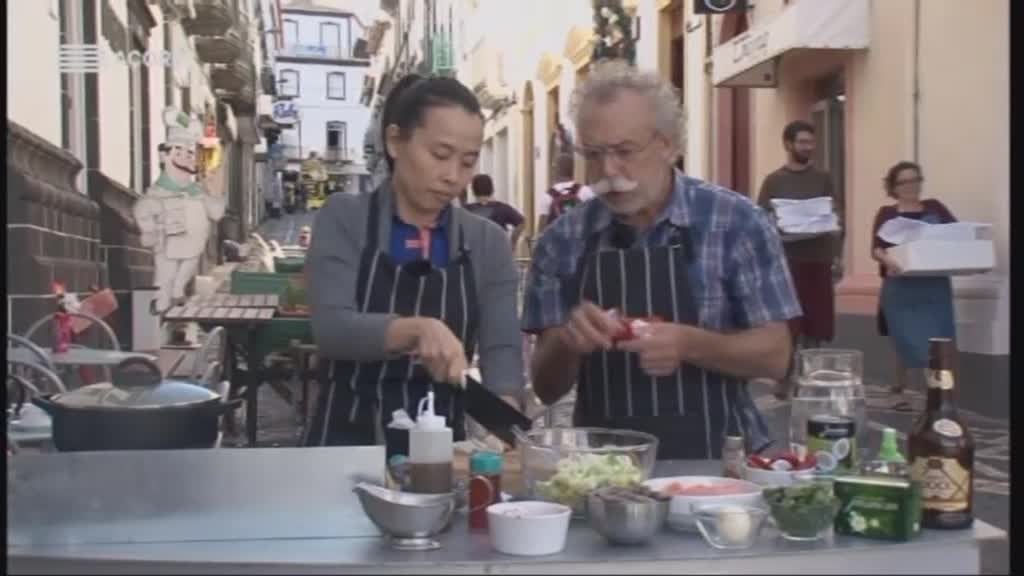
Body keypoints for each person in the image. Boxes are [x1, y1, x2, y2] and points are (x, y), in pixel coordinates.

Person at [522, 62, 801, 460]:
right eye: (594, 154)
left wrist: (689, 344)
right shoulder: (561, 241)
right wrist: (569, 342)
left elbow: (776, 357)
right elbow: (546, 388)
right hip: (602, 471)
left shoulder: (737, 222)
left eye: (624, 151)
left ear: (669, 144)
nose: (609, 171)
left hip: (723, 464)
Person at [304, 76, 524, 456]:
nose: (453, 176)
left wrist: (506, 424)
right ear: (395, 141)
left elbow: (502, 349)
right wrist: (417, 330)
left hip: (442, 454)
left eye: (467, 162)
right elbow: (331, 328)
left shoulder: (487, 242)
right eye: (440, 155)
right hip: (344, 443)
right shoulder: (344, 218)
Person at [757, 120, 840, 397]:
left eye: (811, 142)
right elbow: (762, 219)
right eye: (803, 142)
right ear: (788, 144)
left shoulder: (823, 178)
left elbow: (834, 213)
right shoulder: (774, 181)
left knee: (817, 323)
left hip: (818, 258)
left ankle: (812, 377)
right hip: (787, 261)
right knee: (789, 322)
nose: (808, 147)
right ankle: (785, 377)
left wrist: (836, 250)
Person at [871, 161, 957, 412]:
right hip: (901, 286)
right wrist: (889, 260)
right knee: (904, 338)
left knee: (941, 338)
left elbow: (955, 233)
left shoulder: (935, 208)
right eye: (905, 182)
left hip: (934, 284)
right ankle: (899, 389)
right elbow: (877, 247)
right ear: (894, 187)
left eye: (915, 180)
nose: (911, 186)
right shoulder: (887, 213)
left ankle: (940, 392)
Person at [134, 108, 226, 314]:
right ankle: (161, 307)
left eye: (190, 153)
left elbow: (216, 213)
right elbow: (143, 209)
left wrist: (216, 190)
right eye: (178, 152)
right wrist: (149, 230)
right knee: (165, 276)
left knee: (187, 266)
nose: (184, 158)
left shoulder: (197, 191)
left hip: (193, 245)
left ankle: (176, 293)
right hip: (168, 241)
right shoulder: (159, 192)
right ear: (165, 156)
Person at [464, 174, 526, 249]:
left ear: (473, 190)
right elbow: (521, 223)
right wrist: (513, 242)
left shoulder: (466, 210)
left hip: (473, 253)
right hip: (499, 250)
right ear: (492, 189)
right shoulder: (503, 208)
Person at [537, 153, 594, 232]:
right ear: (573, 169)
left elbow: (542, 228)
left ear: (555, 170)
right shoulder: (586, 191)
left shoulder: (548, 196)